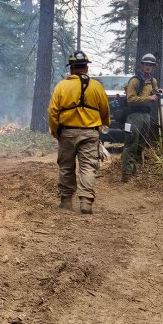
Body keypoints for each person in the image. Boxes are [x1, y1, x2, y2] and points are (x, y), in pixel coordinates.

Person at [47, 51, 110, 214]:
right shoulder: (97, 86)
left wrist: (55, 131)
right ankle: (86, 202)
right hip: (90, 133)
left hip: (67, 133)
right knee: (88, 166)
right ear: (86, 68)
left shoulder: (61, 86)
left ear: (71, 69)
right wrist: (101, 125)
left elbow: (52, 112)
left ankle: (66, 201)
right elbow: (105, 110)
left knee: (66, 166)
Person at [121, 53, 163, 182]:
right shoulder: (135, 80)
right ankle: (126, 174)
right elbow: (131, 99)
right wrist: (149, 98)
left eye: (150, 65)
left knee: (141, 143)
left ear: (153, 67)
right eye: (146, 65)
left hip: (146, 114)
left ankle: (135, 170)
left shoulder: (153, 81)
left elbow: (153, 91)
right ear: (141, 66)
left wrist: (157, 92)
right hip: (134, 115)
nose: (148, 67)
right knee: (131, 143)